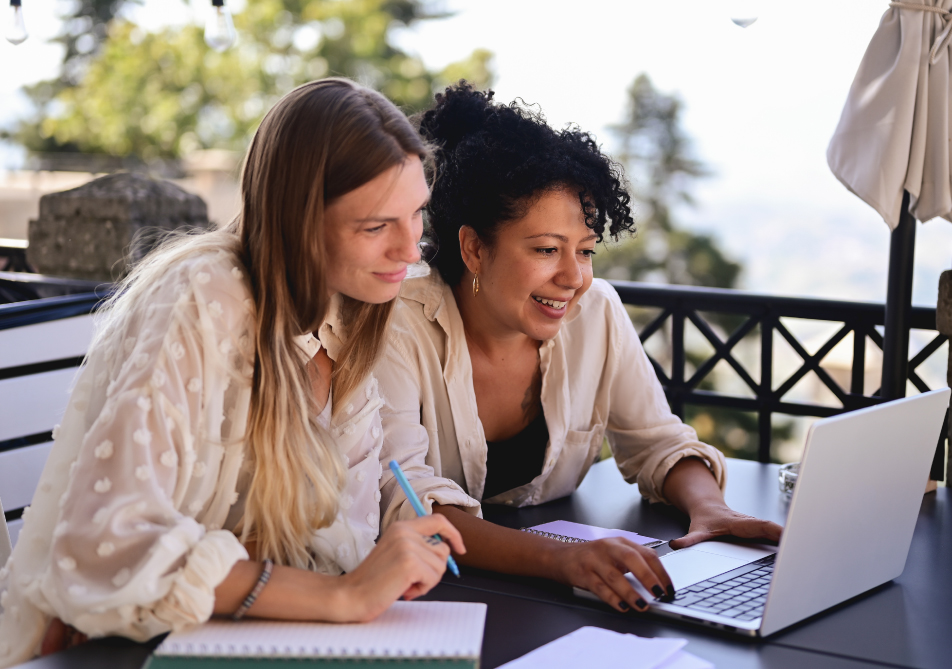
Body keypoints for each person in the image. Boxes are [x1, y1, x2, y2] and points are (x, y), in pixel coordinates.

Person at [0, 78, 464, 668]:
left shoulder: (348, 308)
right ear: (299, 221)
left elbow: (341, 536)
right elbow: (109, 543)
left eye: (416, 213)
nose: (411, 249)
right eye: (375, 227)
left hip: (256, 639)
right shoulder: (203, 297)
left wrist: (291, 567)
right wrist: (341, 595)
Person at [377, 82, 781, 614]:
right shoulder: (397, 324)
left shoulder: (596, 311)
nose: (574, 278)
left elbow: (657, 441)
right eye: (547, 249)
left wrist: (711, 510)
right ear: (474, 248)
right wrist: (563, 560)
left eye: (585, 251)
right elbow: (405, 500)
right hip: (433, 604)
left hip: (552, 607)